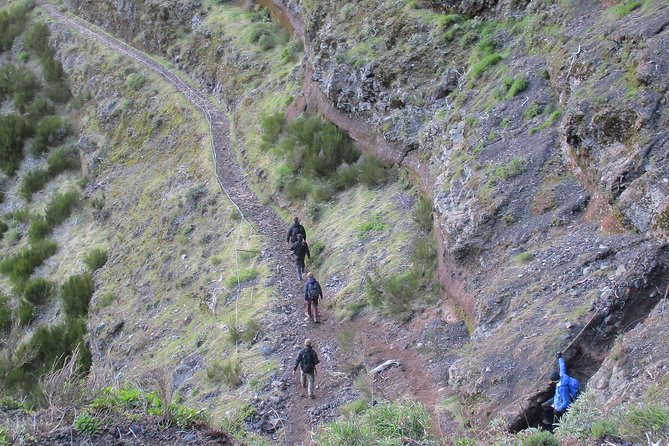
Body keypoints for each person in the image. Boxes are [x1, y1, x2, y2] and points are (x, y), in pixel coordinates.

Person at [541, 351, 580, 430]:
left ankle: (555, 427)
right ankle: (548, 420)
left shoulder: (563, 388)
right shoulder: (562, 375)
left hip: (562, 401)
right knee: (544, 405)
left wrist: (558, 407)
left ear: (555, 381)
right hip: (557, 398)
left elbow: (567, 401)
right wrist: (560, 358)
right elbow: (562, 367)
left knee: (556, 413)